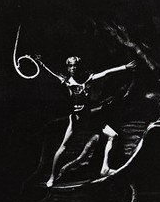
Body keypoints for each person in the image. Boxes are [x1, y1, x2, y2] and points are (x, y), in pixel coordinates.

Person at [36, 55, 137, 187]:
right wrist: (40, 62)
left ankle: (104, 168)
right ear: (68, 68)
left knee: (113, 136)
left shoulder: (88, 80)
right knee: (63, 148)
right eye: (70, 66)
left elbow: (106, 72)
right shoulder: (66, 82)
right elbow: (50, 73)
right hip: (76, 121)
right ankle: (52, 177)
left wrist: (125, 67)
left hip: (89, 119)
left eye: (75, 65)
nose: (73, 68)